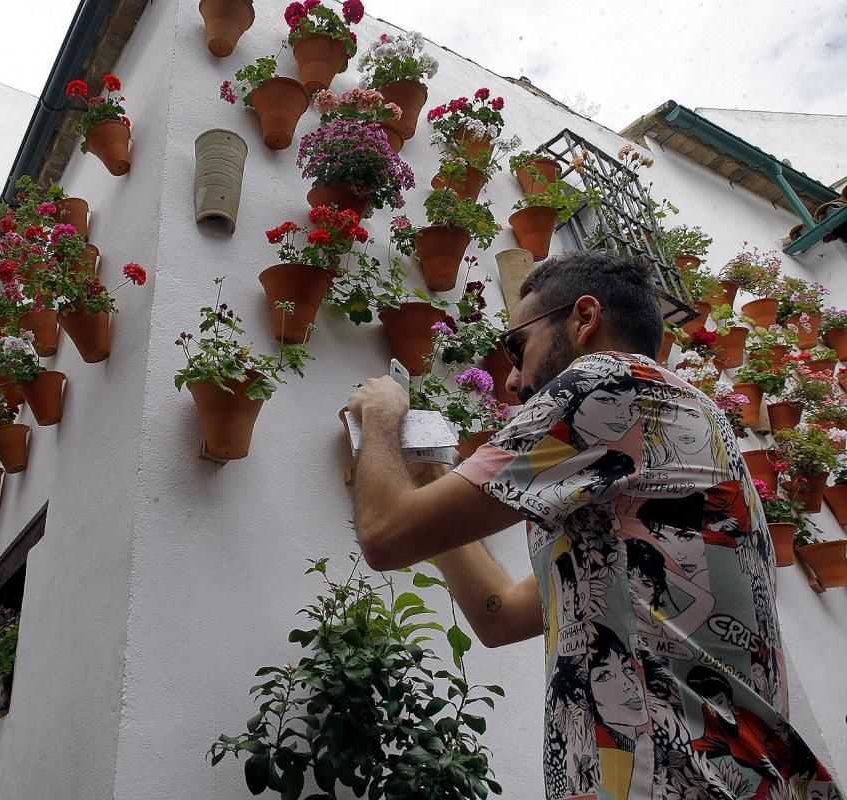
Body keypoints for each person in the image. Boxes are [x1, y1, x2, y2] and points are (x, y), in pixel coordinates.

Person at [348, 251, 842, 800]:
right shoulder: (639, 465)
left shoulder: (612, 384)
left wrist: (382, 414)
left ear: (585, 320)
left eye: (518, 346)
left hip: (675, 778)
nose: (510, 380)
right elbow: (501, 616)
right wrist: (431, 476)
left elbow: (383, 534)